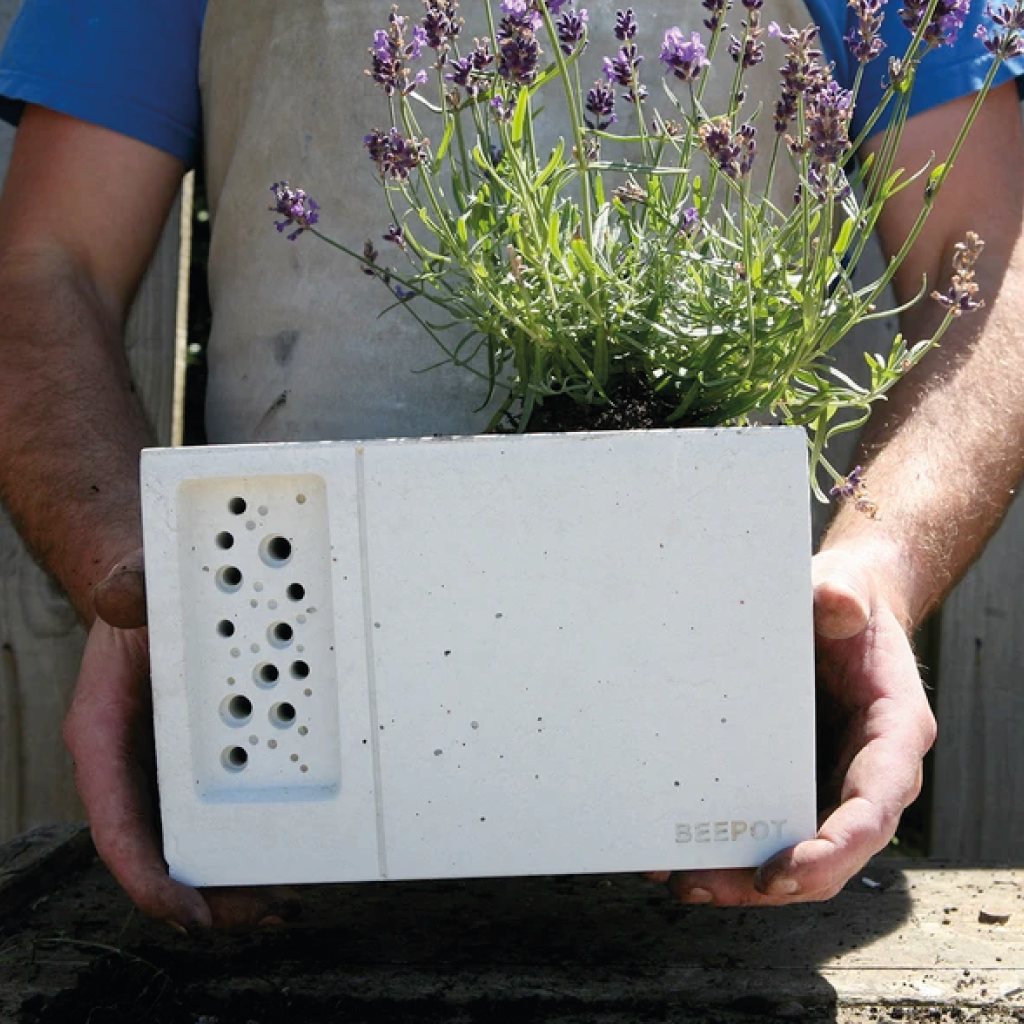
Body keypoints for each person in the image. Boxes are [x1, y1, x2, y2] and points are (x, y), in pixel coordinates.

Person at [0, 0, 1021, 932]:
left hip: (707, 802)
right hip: (296, 770)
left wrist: (876, 569)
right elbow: (47, 266)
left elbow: (982, 258)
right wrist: (140, 578)